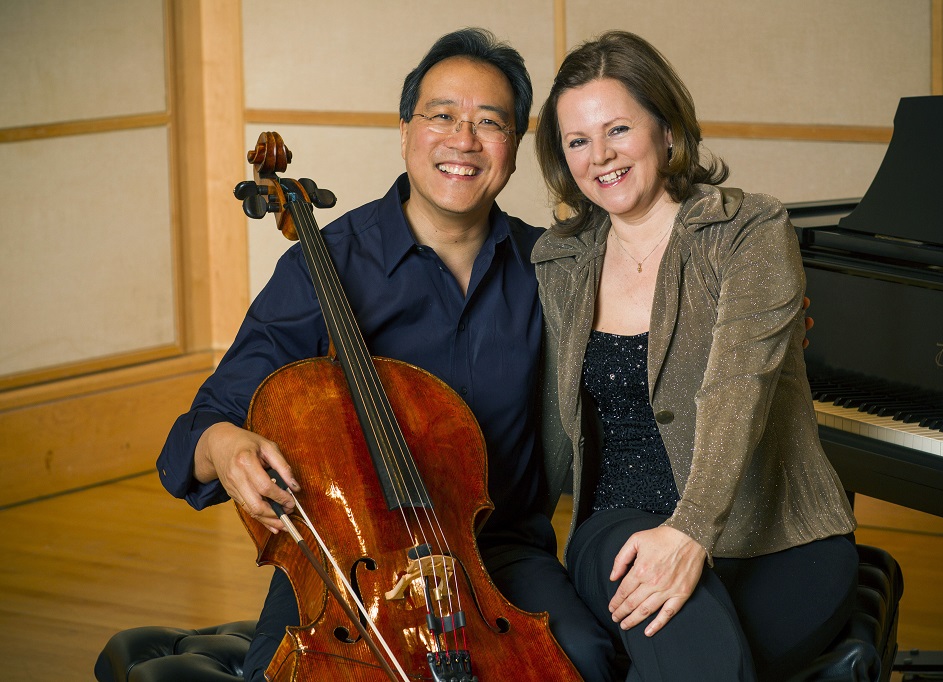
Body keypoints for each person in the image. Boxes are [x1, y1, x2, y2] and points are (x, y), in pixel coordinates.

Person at [156, 28, 618, 682]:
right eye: (442, 116)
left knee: (586, 664)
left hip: (500, 560)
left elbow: (643, 335)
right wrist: (227, 446)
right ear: (404, 131)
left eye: (489, 122)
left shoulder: (553, 269)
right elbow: (199, 431)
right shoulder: (326, 264)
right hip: (345, 567)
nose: (463, 139)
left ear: (513, 150)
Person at [531, 30, 858, 681]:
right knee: (673, 631)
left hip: (780, 540)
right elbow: (546, 426)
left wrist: (691, 533)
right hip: (617, 533)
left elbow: (738, 385)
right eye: (577, 141)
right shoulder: (560, 260)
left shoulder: (749, 232)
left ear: (668, 130)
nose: (601, 155)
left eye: (619, 128)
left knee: (686, 657)